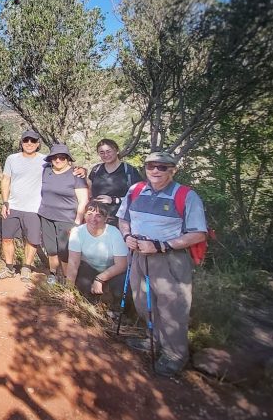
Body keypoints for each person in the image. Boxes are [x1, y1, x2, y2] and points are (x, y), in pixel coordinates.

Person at [118, 151, 208, 377]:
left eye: (162, 167)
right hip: (138, 254)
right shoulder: (135, 190)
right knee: (142, 301)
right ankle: (154, 340)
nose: (155, 171)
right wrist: (127, 236)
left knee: (172, 307)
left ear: (172, 170)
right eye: (151, 166)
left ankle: (175, 355)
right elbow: (123, 218)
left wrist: (161, 246)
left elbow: (198, 234)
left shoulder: (186, 196)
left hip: (169, 259)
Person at [0, 130, 46, 281]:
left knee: (32, 240)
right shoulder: (12, 159)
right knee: (7, 238)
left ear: (38, 144)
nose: (29, 143)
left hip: (34, 208)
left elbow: (62, 167)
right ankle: (9, 268)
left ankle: (26, 268)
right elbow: (5, 180)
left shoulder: (45, 160)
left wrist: (80, 170)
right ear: (21, 143)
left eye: (33, 141)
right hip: (13, 206)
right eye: (26, 140)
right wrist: (5, 202)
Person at [38, 144, 89, 284]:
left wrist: (77, 222)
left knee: (65, 251)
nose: (58, 160)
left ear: (68, 159)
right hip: (46, 215)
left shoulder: (76, 174)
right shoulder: (46, 170)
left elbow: (83, 200)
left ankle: (67, 281)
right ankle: (53, 274)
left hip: (67, 218)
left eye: (62, 157)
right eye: (55, 157)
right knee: (51, 249)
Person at [65, 200, 128, 304]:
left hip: (113, 270)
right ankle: (92, 304)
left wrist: (100, 279)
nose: (93, 219)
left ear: (106, 218)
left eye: (98, 216)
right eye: (89, 214)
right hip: (90, 268)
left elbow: (122, 265)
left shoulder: (114, 233)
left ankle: (117, 310)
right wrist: (69, 289)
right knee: (82, 285)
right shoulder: (77, 232)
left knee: (120, 287)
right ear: (84, 216)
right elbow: (73, 263)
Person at [87, 139, 144, 227]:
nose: (106, 155)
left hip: (120, 219)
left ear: (116, 150)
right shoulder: (96, 170)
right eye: (102, 152)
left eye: (108, 151)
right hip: (97, 218)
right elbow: (89, 190)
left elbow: (139, 196)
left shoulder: (129, 171)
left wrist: (114, 200)